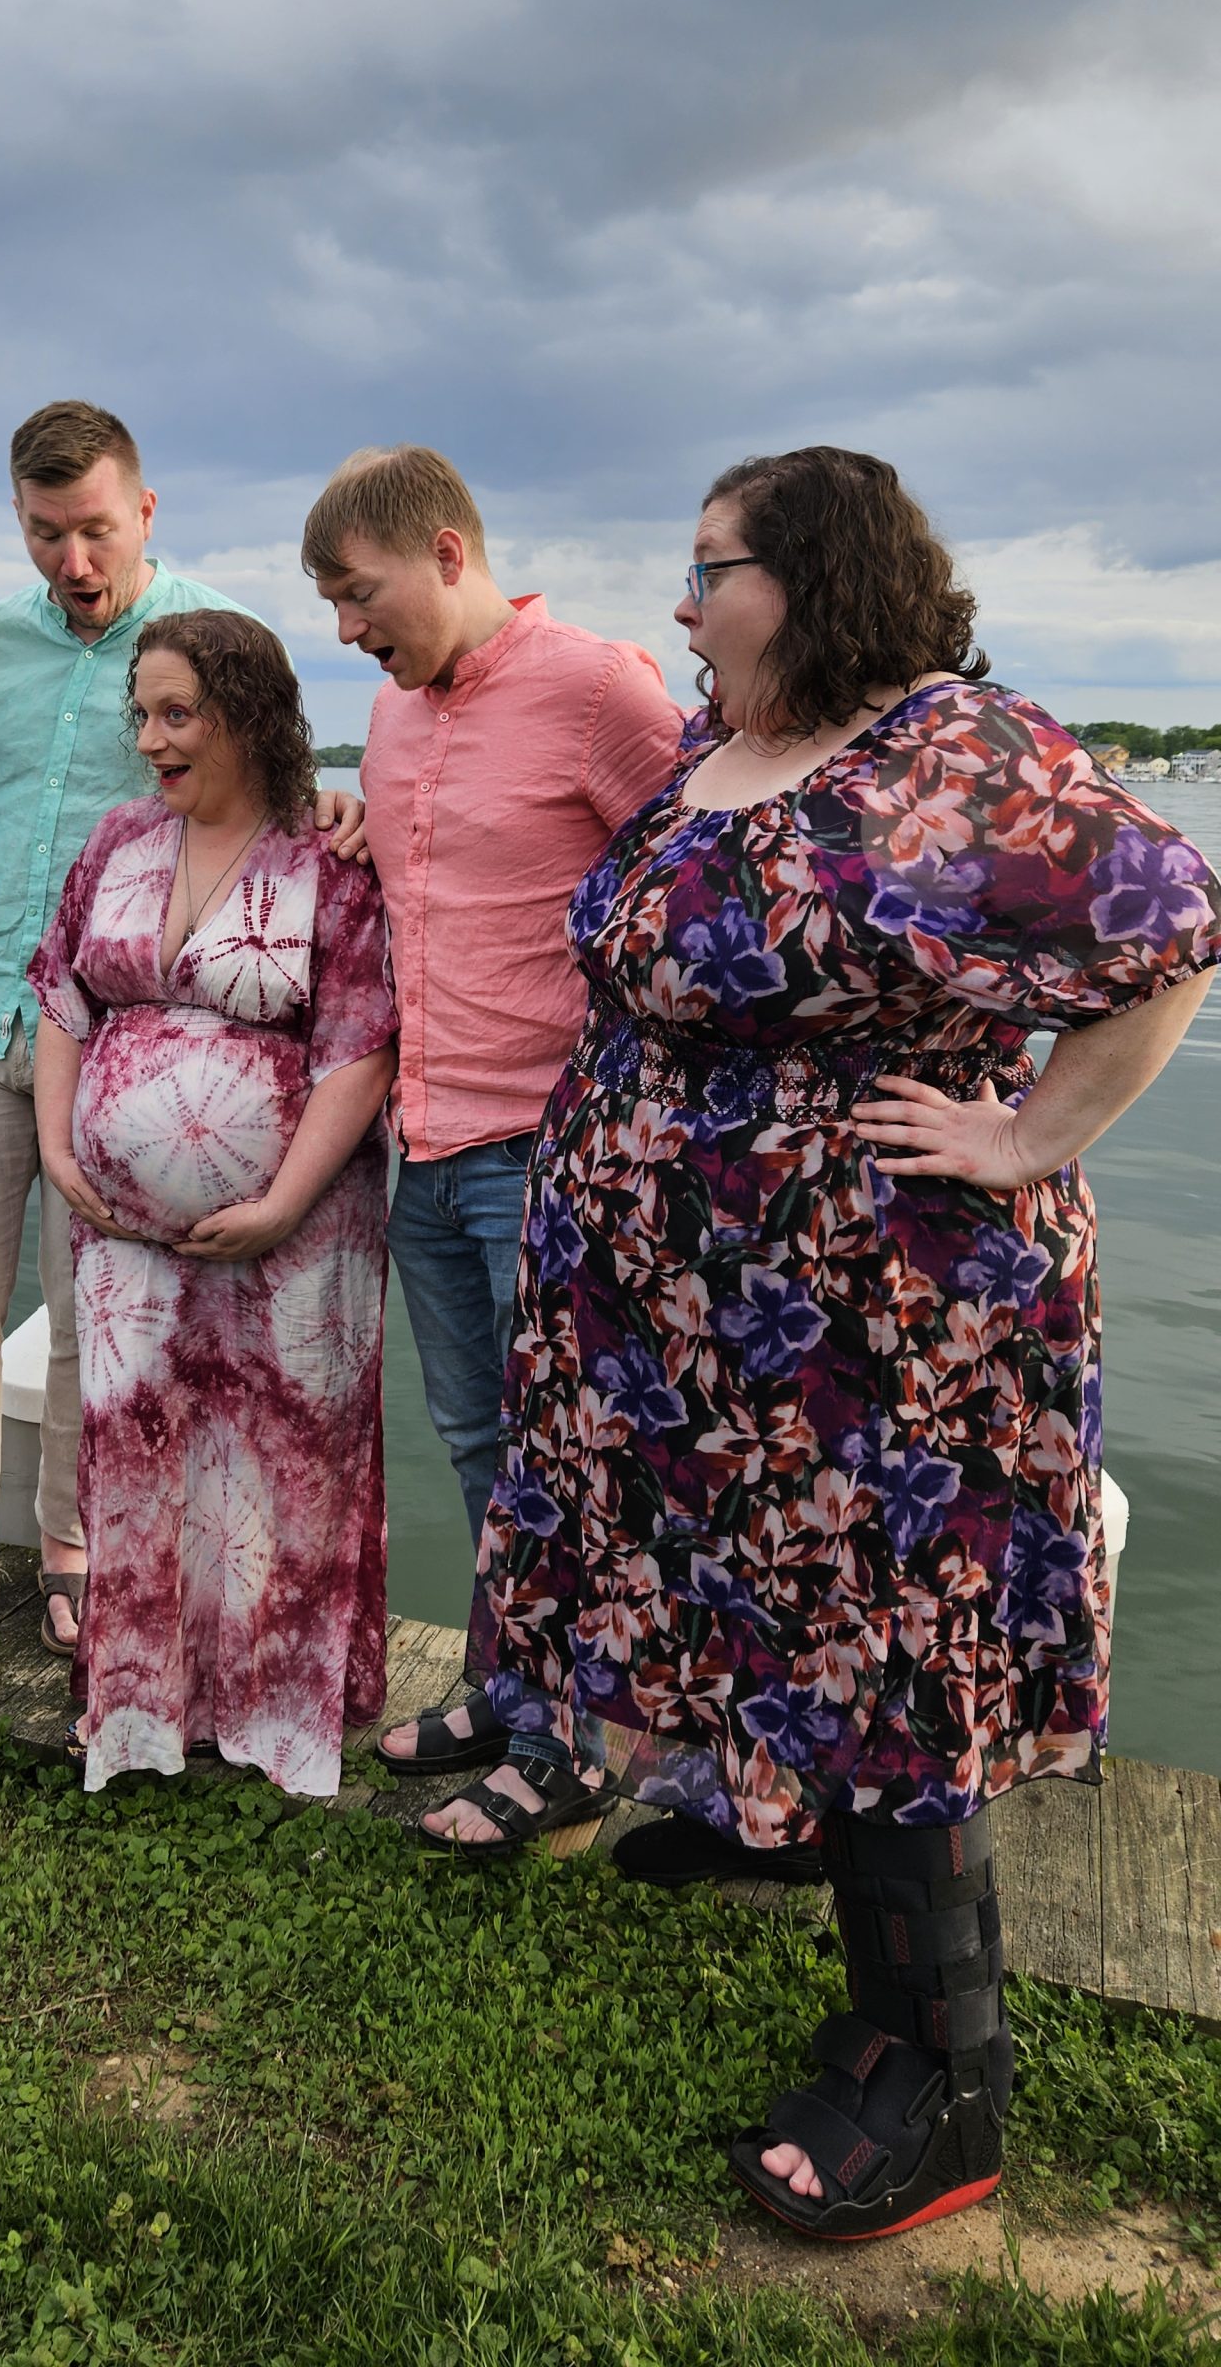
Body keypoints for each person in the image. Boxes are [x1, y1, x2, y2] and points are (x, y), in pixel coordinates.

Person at [440, 445, 1221, 2239]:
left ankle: (940, 2078)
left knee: (887, 1649)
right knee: (764, 1603)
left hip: (875, 1333)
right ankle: (766, 1816)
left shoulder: (951, 752)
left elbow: (1170, 928)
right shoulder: (731, 746)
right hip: (697, 1340)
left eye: (709, 567)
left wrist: (1029, 1138)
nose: (683, 602)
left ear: (811, 574)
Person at [0, 403, 363, 1725]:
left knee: (93, 1316)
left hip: (113, 1047)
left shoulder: (211, 636)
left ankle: (73, 1547)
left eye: (92, 530)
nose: (70, 561)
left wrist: (340, 803)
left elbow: (275, 784)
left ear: (144, 510)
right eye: (41, 533)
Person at [302, 444, 684, 1850]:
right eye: (333, 605)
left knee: (569, 1456)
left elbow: (699, 876)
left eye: (360, 592)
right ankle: (511, 1690)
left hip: (550, 1148)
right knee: (480, 1442)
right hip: (425, 1141)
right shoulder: (389, 713)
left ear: (448, 553)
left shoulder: (600, 688)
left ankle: (583, 1744)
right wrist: (345, 820)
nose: (349, 626)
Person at [28, 609, 398, 1795]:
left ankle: (276, 1705)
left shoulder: (325, 858)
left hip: (298, 1243)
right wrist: (59, 1151)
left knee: (284, 1465)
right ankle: (145, 1705)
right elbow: (62, 1001)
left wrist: (282, 1202)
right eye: (141, 713)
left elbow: (360, 1045)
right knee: (138, 1456)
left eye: (177, 714)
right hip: (124, 1241)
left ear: (247, 715)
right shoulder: (117, 839)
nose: (150, 738)